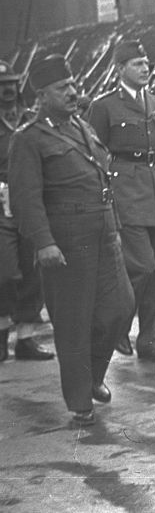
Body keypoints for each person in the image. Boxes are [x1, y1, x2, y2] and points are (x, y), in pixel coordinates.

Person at [9, 54, 135, 425]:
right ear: (42, 95)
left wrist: (116, 227)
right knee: (73, 320)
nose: (73, 92)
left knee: (120, 307)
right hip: (66, 241)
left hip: (104, 233)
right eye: (63, 88)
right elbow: (25, 199)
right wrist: (44, 242)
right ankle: (81, 399)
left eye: (74, 85)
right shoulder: (29, 139)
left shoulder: (80, 126)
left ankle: (93, 375)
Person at [88, 39, 155, 363]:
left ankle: (150, 341)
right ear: (120, 69)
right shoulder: (104, 106)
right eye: (137, 63)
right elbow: (93, 155)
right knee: (142, 266)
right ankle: (119, 324)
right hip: (126, 195)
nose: (145, 67)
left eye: (146, 62)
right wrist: (101, 198)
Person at [0, 58, 54, 362]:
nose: (7, 90)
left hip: (31, 203)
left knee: (33, 271)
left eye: (10, 84)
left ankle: (26, 339)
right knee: (5, 272)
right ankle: (1, 333)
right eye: (1, 86)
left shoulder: (31, 120)